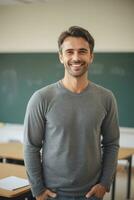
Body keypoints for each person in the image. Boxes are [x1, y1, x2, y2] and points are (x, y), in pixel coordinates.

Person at [23, 26, 120, 200]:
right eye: (69, 52)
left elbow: (112, 144)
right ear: (61, 57)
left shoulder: (106, 98)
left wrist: (105, 184)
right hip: (52, 194)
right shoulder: (41, 98)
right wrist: (37, 190)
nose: (76, 57)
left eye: (82, 51)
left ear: (91, 56)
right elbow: (31, 146)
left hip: (91, 194)